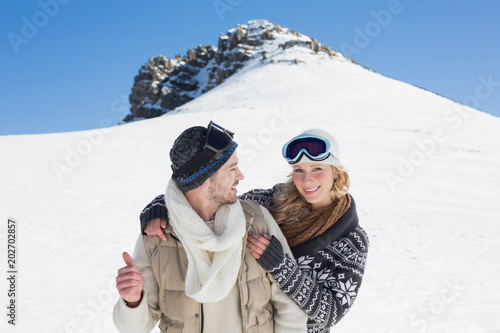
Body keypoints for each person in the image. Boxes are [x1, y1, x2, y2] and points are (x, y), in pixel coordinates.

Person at [139, 128, 369, 333]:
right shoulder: (269, 202)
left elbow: (330, 313)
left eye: (317, 168)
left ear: (336, 172)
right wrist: (162, 205)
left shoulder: (352, 240)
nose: (306, 180)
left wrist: (282, 268)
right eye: (299, 170)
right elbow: (211, 197)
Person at [113, 121, 307, 333]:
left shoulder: (257, 220)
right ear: (204, 179)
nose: (240, 176)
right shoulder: (157, 234)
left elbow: (291, 305)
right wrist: (133, 301)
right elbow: (135, 328)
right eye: (232, 169)